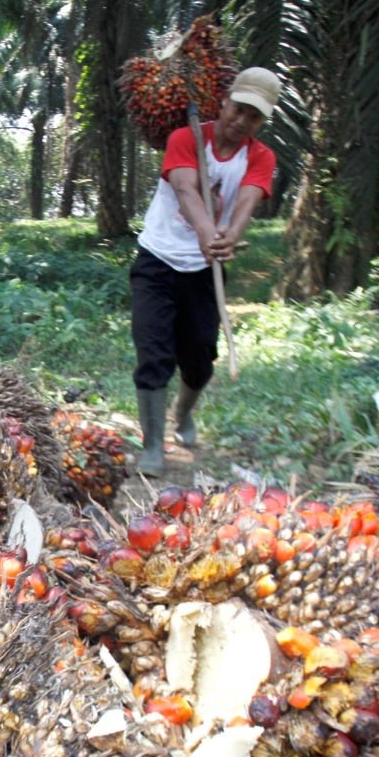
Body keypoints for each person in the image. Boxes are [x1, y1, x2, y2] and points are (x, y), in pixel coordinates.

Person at [129, 66, 280, 475]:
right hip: (157, 261)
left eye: (254, 116)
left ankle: (184, 413)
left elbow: (248, 200)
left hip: (203, 271)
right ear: (225, 101)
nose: (241, 120)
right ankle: (154, 445)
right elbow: (185, 189)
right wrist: (205, 230)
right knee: (153, 352)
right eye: (238, 108)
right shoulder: (185, 138)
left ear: (262, 121)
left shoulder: (261, 157)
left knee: (199, 359)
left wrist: (228, 235)